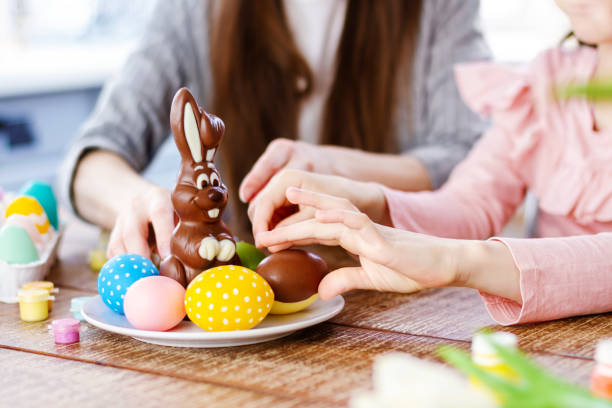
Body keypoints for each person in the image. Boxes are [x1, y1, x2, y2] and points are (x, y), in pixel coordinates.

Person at [250, 0, 612, 326]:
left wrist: (462, 261)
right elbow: (469, 204)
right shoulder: (548, 81)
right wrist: (366, 200)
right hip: (549, 348)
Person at [58, 0, 490, 259]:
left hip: (391, 294)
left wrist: (335, 166)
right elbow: (92, 159)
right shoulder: (195, 10)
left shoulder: (437, 9)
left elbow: (472, 161)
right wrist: (137, 203)